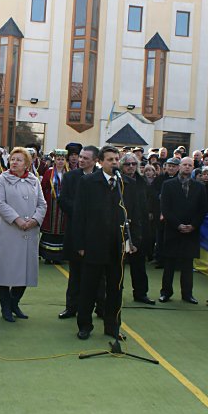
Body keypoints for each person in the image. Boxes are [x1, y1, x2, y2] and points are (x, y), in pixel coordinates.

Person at [71, 145, 143, 340]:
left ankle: (112, 326)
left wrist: (133, 240)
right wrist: (80, 244)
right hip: (93, 244)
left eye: (116, 159)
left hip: (117, 245)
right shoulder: (88, 182)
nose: (114, 163)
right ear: (100, 162)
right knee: (89, 287)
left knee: (115, 288)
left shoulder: (127, 183)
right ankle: (84, 325)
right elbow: (79, 215)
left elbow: (135, 213)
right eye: (110, 159)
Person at [0, 147, 47, 322]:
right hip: (10, 232)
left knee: (26, 270)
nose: (14, 162)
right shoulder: (3, 179)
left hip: (30, 231)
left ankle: (14, 303)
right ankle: (5, 307)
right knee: (6, 270)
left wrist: (34, 220)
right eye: (13, 159)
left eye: (19, 160)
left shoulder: (34, 180)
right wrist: (17, 219)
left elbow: (42, 204)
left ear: (27, 164)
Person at [57, 145, 101, 319]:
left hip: (97, 233)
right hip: (76, 230)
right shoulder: (70, 177)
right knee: (75, 273)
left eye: (85, 158)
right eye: (80, 157)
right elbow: (63, 200)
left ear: (95, 161)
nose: (81, 160)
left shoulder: (102, 178)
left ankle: (100, 307)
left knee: (98, 275)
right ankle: (71, 307)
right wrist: (80, 211)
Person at [158, 157, 208, 304]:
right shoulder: (168, 185)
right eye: (184, 164)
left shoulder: (200, 187)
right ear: (179, 166)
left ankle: (187, 294)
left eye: (190, 165)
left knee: (187, 265)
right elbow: (165, 208)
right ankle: (165, 292)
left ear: (193, 168)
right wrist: (177, 225)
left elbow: (203, 209)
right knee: (169, 264)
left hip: (191, 231)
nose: (187, 167)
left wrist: (193, 225)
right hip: (173, 230)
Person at [121, 153, 154, 304]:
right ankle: (116, 293)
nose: (131, 167)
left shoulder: (142, 182)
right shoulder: (118, 181)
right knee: (118, 264)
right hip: (121, 226)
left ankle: (141, 293)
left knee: (139, 264)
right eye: (127, 164)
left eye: (134, 164)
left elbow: (147, 204)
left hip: (139, 228)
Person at [39, 149, 68, 264]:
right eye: (58, 159)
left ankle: (58, 257)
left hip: (63, 206)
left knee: (61, 230)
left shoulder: (69, 173)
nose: (60, 161)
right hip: (51, 204)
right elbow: (43, 186)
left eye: (62, 159)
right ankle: (47, 255)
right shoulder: (49, 172)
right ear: (54, 160)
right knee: (49, 228)